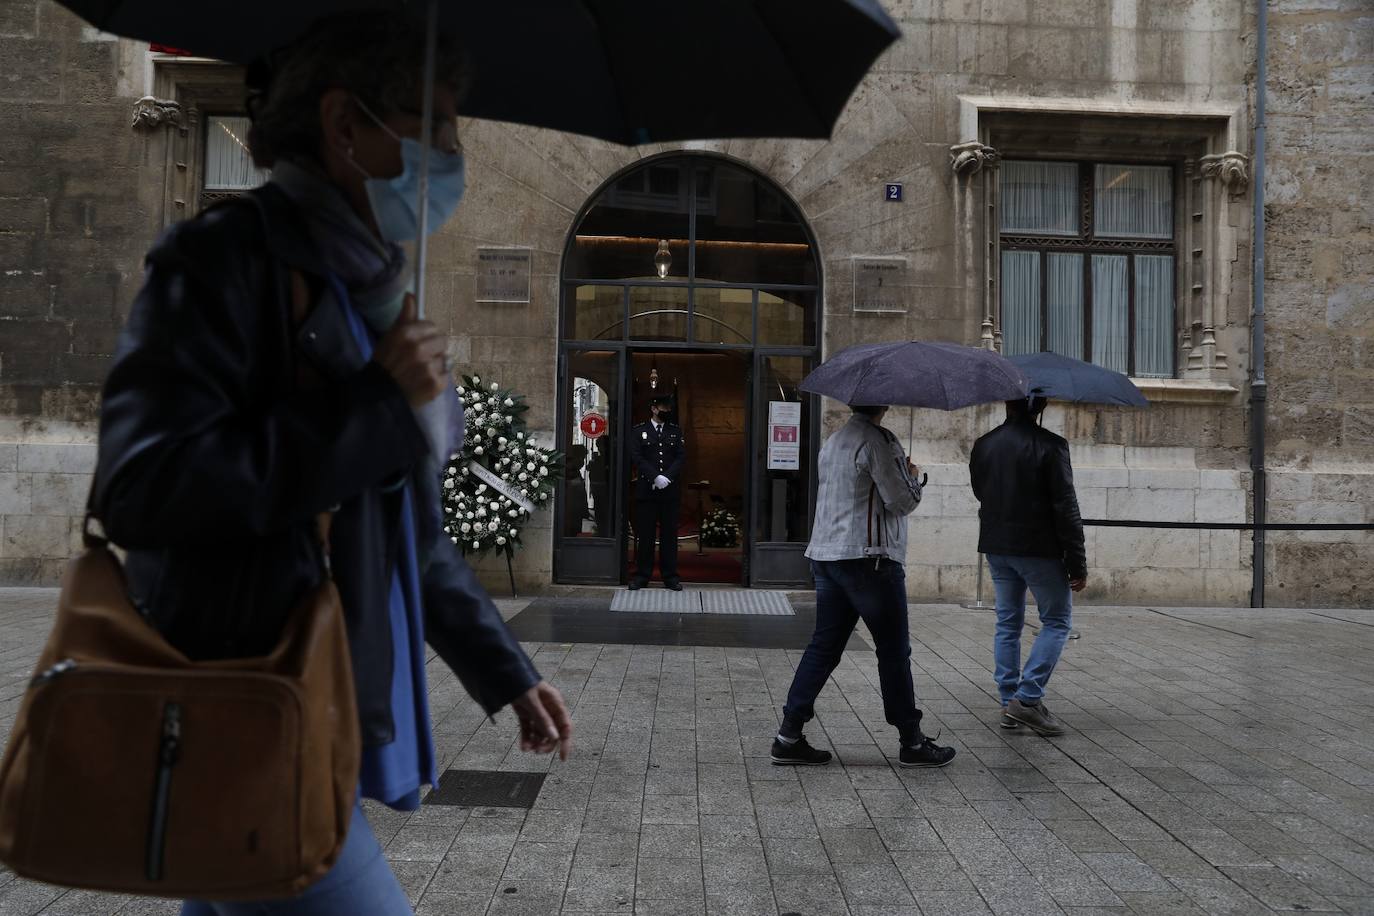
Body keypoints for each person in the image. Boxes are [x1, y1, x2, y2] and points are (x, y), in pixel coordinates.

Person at [92, 15, 572, 915]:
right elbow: (141, 487)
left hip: (314, 708)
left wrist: (505, 670)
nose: (452, 154)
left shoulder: (373, 290)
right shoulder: (222, 263)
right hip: (254, 710)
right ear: (346, 125)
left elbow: (406, 530)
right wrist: (375, 408)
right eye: (432, 126)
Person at [771, 404, 956, 768]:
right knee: (893, 651)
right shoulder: (879, 441)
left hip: (828, 555)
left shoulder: (835, 440)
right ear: (884, 405)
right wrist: (915, 477)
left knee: (823, 647)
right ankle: (911, 741)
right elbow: (901, 501)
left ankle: (788, 735)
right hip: (869, 560)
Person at [969, 395, 1087, 737]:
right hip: (1038, 547)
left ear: (1007, 404)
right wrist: (1076, 561)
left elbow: (981, 491)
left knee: (1008, 622)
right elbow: (1066, 505)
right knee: (1057, 621)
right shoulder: (1052, 446)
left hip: (997, 545)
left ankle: (1010, 703)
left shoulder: (984, 444)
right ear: (1041, 406)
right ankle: (1028, 698)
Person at [629, 394, 685, 590]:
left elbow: (680, 457)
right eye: (663, 407)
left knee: (669, 536)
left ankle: (670, 577)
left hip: (669, 492)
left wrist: (667, 477)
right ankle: (642, 576)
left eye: (669, 408)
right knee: (646, 536)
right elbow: (636, 456)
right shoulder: (639, 431)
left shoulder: (675, 431)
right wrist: (655, 477)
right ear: (653, 409)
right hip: (647, 492)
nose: (667, 411)